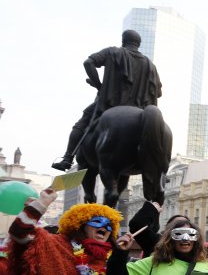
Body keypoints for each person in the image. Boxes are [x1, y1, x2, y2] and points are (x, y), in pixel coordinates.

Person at [52, 29, 163, 171]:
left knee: (82, 123)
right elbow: (158, 93)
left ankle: (67, 158)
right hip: (140, 111)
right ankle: (158, 167)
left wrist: (100, 86)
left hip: (109, 105)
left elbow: (88, 63)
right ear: (138, 44)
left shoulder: (113, 52)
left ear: (123, 41)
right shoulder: (150, 65)